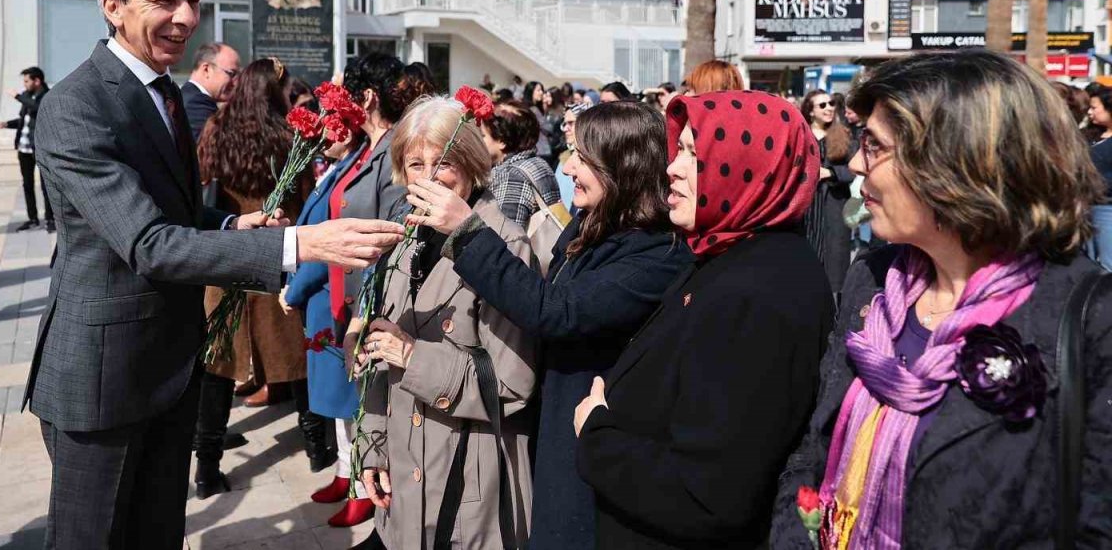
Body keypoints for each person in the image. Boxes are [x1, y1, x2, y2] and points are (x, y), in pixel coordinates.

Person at [23, 0, 404, 549]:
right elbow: (148, 243)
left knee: (156, 532)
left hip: (168, 368)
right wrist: (300, 246)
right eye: (164, 0)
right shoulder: (76, 107)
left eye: (193, 1)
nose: (185, 18)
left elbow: (173, 215)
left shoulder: (164, 93)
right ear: (113, 6)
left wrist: (231, 226)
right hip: (104, 380)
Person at [771, 51, 1112, 549]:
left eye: (875, 145)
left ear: (955, 163)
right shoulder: (872, 282)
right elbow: (812, 454)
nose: (855, 162)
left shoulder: (1088, 318)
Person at [404, 101, 692, 550]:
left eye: (583, 158)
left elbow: (555, 311)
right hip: (559, 428)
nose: (568, 167)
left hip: (594, 439)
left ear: (624, 167)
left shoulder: (655, 254)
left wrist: (468, 232)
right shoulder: (593, 222)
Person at [573, 91, 834, 549]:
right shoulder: (731, 255)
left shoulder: (758, 294)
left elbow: (706, 493)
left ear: (749, 167)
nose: (672, 167)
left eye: (695, 154)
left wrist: (598, 435)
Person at [356, 95, 539, 550]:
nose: (430, 177)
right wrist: (373, 445)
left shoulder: (506, 244)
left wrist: (415, 356)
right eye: (416, 163)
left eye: (444, 162)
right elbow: (383, 350)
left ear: (472, 163)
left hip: (469, 480)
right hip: (405, 475)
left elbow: (515, 385)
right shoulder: (406, 239)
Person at [192, 58, 318, 498]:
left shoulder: (214, 131)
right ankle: (318, 447)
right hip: (273, 252)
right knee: (294, 354)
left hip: (226, 256)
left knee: (218, 362)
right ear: (274, 92)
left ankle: (206, 469)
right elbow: (304, 201)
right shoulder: (288, 137)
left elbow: (198, 190)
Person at [324, 51, 412, 528]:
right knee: (358, 399)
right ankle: (359, 475)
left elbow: (390, 234)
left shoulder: (393, 150)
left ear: (369, 97)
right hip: (349, 291)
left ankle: (373, 490)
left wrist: (366, 308)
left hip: (373, 299)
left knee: (374, 400)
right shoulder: (365, 146)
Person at [280, 133, 367, 509]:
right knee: (337, 403)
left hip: (327, 292)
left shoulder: (355, 169)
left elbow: (328, 244)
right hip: (320, 299)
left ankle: (361, 485)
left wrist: (294, 288)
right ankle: (345, 472)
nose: (323, 135)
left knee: (348, 399)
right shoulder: (337, 168)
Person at [801, 89, 855, 293]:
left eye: (831, 103)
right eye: (822, 105)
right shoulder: (801, 134)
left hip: (834, 204)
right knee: (807, 258)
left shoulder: (844, 134)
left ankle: (833, 312)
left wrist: (830, 172)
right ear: (811, 111)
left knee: (834, 266)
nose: (829, 108)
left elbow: (853, 169)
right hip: (807, 205)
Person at [482, 99, 563, 228]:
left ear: (502, 141)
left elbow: (506, 238)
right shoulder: (537, 162)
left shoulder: (510, 176)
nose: (478, 142)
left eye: (482, 136)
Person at [0, 66, 53, 232]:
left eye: (27, 81)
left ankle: (50, 219)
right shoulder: (27, 96)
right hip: (23, 148)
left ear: (37, 81)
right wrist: (6, 124)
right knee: (27, 184)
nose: (24, 84)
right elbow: (24, 119)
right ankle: (32, 218)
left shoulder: (47, 96)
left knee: (46, 186)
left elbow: (37, 108)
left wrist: (18, 97)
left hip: (39, 149)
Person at [180, 42, 241, 141]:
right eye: (232, 74)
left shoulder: (191, 97)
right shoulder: (195, 104)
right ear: (206, 69)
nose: (236, 83)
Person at [1084, 84, 1112, 269]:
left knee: (1108, 264)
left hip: (1107, 210)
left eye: (1094, 107)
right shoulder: (1091, 136)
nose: (1089, 112)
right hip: (1086, 208)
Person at [555, 100, 593, 212]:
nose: (566, 128)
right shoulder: (563, 156)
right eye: (565, 124)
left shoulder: (594, 160)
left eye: (571, 123)